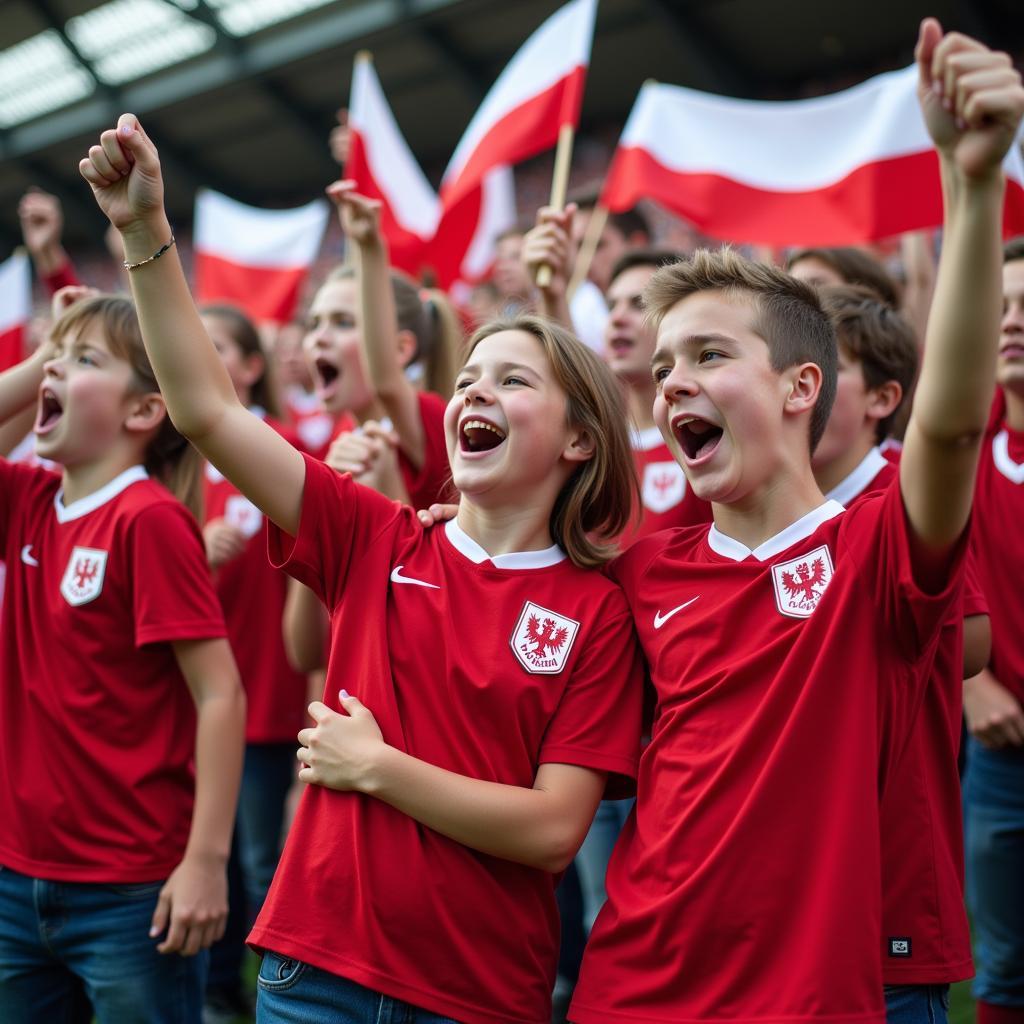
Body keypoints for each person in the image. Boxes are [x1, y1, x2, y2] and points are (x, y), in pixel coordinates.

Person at [79, 115, 645, 1024]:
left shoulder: (598, 612)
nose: (474, 393)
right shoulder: (376, 536)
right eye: (468, 378)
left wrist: (377, 767)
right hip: (317, 975)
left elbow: (550, 833)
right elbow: (209, 413)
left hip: (478, 994)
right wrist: (144, 233)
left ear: (582, 438)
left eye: (512, 381)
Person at [570, 21, 1023, 1024]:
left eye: (707, 355)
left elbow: (947, 430)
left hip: (822, 982)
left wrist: (972, 180)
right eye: (662, 368)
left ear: (798, 386)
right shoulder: (639, 571)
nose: (673, 379)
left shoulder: (871, 545)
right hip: (638, 978)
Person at [0, 293, 246, 1024]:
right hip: (18, 876)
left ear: (143, 413)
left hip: (129, 889)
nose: (53, 372)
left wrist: (205, 862)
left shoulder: (150, 521)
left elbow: (219, 695)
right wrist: (53, 359)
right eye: (54, 357)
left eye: (84, 362)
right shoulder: (30, 500)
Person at [814, 284, 988, 1022]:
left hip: (889, 870)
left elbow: (972, 638)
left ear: (884, 398)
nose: (802, 389)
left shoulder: (906, 501)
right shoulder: (762, 507)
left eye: (824, 369)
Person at [198, 304, 309, 1020]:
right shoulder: (175, 462)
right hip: (198, 703)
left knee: (263, 861)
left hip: (272, 700)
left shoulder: (292, 452)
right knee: (207, 855)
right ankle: (213, 991)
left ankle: (279, 990)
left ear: (250, 366)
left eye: (217, 347)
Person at [963, 236, 1024, 1024]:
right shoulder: (964, 445)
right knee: (1004, 968)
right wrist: (972, 683)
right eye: (1003, 308)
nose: (1012, 324)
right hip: (1000, 752)